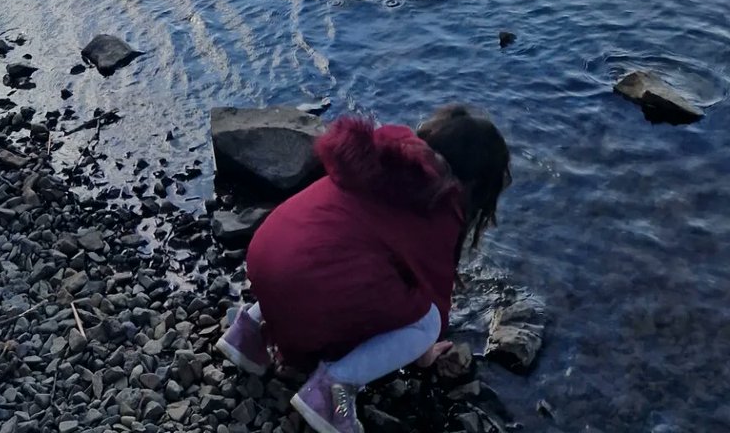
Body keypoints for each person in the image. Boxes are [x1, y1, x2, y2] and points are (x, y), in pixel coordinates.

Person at [215, 104, 511, 433]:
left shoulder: (379, 158)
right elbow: (435, 297)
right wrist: (423, 350)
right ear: (475, 185)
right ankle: (331, 392)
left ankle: (247, 333)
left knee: (322, 259)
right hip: (308, 284)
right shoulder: (438, 203)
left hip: (266, 252)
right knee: (426, 323)